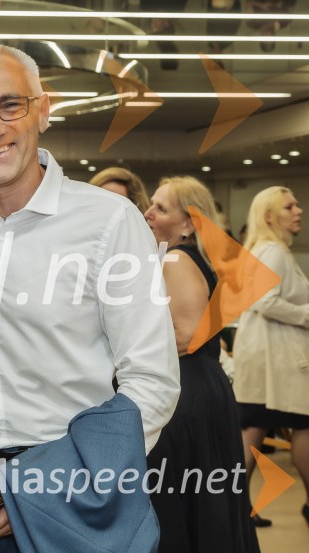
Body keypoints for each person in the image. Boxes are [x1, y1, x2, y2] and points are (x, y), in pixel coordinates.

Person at [0, 44, 180, 551]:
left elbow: (152, 382)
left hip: (65, 482)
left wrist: (50, 486)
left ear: (44, 109)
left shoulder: (108, 221)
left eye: (9, 105)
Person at [142, 176, 260, 553]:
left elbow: (186, 335)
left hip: (186, 394)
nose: (149, 212)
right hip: (198, 389)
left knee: (180, 496)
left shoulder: (177, 258)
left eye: (160, 208)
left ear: (191, 222)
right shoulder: (185, 257)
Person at [233, 185, 309, 528]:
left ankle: (235, 508)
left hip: (266, 357)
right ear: (268, 216)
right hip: (276, 360)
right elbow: (265, 301)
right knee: (302, 424)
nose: (298, 211)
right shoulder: (274, 251)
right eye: (289, 206)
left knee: (253, 428)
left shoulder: (266, 250)